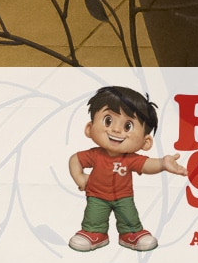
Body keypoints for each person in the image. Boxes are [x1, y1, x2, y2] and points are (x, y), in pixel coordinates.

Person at [67, 85, 186, 252]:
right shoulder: (94, 154)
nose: (116, 130)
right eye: (108, 121)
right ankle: (94, 233)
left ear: (145, 142)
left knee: (130, 219)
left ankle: (130, 234)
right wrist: (80, 178)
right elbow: (75, 160)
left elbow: (147, 165)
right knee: (93, 219)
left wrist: (163, 163)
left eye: (128, 126)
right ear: (89, 128)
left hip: (123, 198)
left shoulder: (130, 159)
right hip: (97, 196)